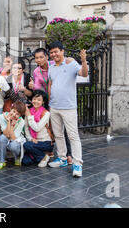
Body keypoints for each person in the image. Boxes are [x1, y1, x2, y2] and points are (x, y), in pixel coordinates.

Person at [47, 41, 88, 178]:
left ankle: (77, 164)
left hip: (68, 107)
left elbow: (83, 73)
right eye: (51, 52)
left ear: (62, 51)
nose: (54, 54)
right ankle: (62, 158)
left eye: (56, 51)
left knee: (73, 136)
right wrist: (49, 102)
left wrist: (83, 61)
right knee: (58, 134)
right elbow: (51, 84)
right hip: (54, 106)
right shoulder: (51, 66)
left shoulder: (71, 63)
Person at [28, 47, 73, 165]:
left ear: (47, 57)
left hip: (61, 99)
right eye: (36, 58)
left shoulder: (55, 64)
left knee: (64, 128)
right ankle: (51, 151)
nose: (38, 60)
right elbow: (39, 89)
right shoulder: (36, 72)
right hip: (48, 100)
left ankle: (69, 155)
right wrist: (33, 87)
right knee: (52, 127)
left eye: (41, 57)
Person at [22, 90, 54, 167]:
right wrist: (30, 138)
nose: (36, 101)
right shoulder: (29, 111)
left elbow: (37, 128)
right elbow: (26, 127)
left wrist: (29, 116)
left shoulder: (46, 113)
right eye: (34, 99)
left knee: (27, 145)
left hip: (45, 142)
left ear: (43, 102)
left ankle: (43, 156)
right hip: (33, 141)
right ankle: (42, 155)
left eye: (39, 100)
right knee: (25, 161)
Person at [0, 101, 26, 170]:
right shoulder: (2, 116)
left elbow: (13, 138)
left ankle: (17, 157)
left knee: (13, 145)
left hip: (16, 140)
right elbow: (6, 134)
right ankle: (1, 161)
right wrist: (9, 121)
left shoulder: (21, 121)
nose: (14, 114)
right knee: (2, 138)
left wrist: (12, 125)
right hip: (7, 136)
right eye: (13, 111)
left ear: (20, 116)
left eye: (17, 114)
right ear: (10, 108)